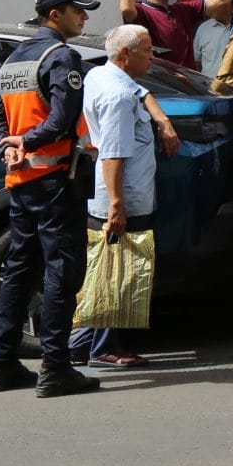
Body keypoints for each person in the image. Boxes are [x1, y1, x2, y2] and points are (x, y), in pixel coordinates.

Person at [0, 0, 105, 398]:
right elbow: (61, 118)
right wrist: (28, 143)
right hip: (55, 181)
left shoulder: (13, 60)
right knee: (61, 270)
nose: (84, 18)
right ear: (55, 14)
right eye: (78, 11)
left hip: (21, 183)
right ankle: (56, 367)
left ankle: (2, 365)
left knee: (19, 268)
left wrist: (7, 146)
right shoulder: (60, 57)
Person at [69, 24, 165, 370]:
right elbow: (112, 154)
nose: (153, 57)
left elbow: (140, 91)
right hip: (124, 195)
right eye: (147, 51)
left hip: (114, 193)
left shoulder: (101, 75)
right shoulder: (117, 97)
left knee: (102, 270)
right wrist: (117, 205)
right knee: (120, 272)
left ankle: (80, 343)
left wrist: (161, 119)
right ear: (126, 54)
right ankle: (105, 347)